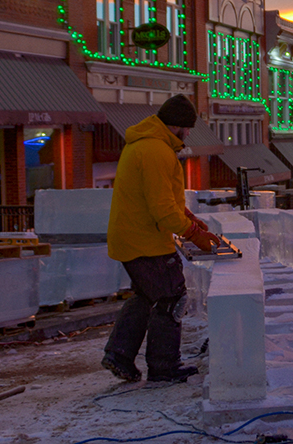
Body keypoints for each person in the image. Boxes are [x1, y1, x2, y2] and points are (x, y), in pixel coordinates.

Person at [102, 95, 220, 383]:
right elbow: (162, 209)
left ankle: (119, 355)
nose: (188, 134)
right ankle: (164, 366)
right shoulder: (157, 151)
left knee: (147, 295)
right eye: (187, 128)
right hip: (146, 242)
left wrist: (188, 216)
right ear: (177, 126)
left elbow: (159, 196)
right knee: (172, 296)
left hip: (130, 237)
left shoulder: (145, 144)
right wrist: (195, 235)